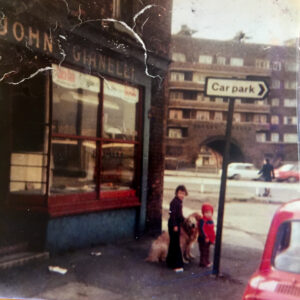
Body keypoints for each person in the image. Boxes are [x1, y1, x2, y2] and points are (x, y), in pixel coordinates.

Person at [166, 185, 188, 272]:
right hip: (173, 225)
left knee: (173, 243)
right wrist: (175, 225)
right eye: (180, 193)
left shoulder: (179, 202)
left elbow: (180, 215)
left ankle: (170, 261)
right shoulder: (174, 202)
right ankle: (176, 265)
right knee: (175, 245)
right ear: (176, 193)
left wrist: (184, 220)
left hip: (175, 224)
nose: (181, 195)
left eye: (183, 193)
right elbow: (172, 215)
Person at [198, 203, 215, 268]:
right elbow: (202, 229)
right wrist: (205, 237)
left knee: (207, 251)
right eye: (206, 212)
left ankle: (206, 261)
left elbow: (212, 230)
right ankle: (203, 262)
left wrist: (213, 238)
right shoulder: (202, 220)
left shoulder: (210, 220)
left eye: (210, 212)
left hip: (209, 239)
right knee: (203, 251)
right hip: (203, 238)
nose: (208, 214)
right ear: (203, 213)